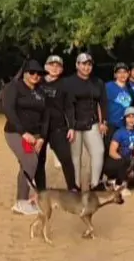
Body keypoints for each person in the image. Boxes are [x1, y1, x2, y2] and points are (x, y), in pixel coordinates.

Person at [3, 60, 48, 215]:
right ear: (25, 73)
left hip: (35, 135)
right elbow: (9, 110)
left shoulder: (40, 91)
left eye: (39, 73)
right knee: (30, 161)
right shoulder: (14, 87)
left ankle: (25, 200)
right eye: (32, 72)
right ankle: (21, 202)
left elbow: (46, 116)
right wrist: (23, 133)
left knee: (28, 165)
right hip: (16, 132)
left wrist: (42, 137)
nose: (36, 76)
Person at [64, 53, 108, 191]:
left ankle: (95, 183)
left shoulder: (98, 83)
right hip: (74, 124)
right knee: (76, 156)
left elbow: (103, 103)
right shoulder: (68, 82)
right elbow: (68, 106)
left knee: (99, 151)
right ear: (77, 65)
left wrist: (103, 122)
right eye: (83, 64)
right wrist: (70, 125)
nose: (86, 67)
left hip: (92, 122)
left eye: (89, 64)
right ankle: (75, 185)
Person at [38, 55, 77, 192]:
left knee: (66, 158)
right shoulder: (38, 81)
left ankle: (72, 188)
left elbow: (69, 107)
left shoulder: (65, 84)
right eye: (52, 64)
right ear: (46, 67)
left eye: (58, 66)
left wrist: (71, 127)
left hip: (58, 127)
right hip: (40, 128)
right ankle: (41, 190)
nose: (54, 68)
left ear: (61, 69)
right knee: (39, 161)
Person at [103, 107, 134, 194]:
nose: (131, 119)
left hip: (128, 161)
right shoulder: (119, 132)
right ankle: (118, 185)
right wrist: (123, 162)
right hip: (115, 162)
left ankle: (114, 181)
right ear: (125, 119)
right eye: (129, 117)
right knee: (126, 162)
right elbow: (111, 152)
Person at [105, 63, 134, 148]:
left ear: (128, 74)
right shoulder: (108, 86)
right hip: (111, 124)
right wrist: (102, 121)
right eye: (119, 72)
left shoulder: (130, 89)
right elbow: (101, 104)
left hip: (124, 125)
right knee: (109, 150)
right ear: (115, 74)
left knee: (123, 150)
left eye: (124, 72)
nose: (122, 75)